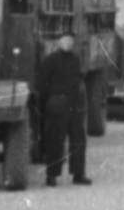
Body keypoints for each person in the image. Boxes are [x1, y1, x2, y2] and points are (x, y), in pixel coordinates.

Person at [34, 31, 92, 187]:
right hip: (57, 105)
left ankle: (79, 174)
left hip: (75, 105)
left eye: (70, 41)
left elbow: (79, 80)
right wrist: (49, 103)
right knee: (54, 141)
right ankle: (51, 176)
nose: (67, 43)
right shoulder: (50, 60)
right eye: (64, 40)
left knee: (78, 140)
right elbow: (41, 84)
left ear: (73, 43)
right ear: (59, 42)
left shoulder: (76, 60)